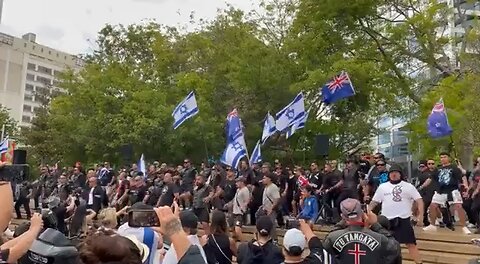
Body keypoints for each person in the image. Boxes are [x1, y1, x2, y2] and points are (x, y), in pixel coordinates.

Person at [369, 164, 423, 264]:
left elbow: (419, 201)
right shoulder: (382, 187)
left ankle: (419, 263)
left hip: (403, 219)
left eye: (396, 173)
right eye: (392, 173)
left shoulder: (408, 186)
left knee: (411, 244)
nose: (394, 175)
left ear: (400, 174)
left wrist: (421, 217)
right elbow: (374, 202)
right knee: (384, 245)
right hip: (386, 221)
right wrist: (368, 212)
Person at [323, 198, 399, 264]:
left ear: (342, 216)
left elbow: (323, 249)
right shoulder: (379, 238)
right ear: (362, 213)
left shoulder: (333, 237)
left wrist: (341, 223)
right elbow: (395, 248)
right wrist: (375, 225)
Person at [420, 152, 471, 234]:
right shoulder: (438, 169)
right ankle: (432, 225)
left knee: (458, 206)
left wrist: (466, 185)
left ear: (448, 158)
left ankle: (464, 227)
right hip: (440, 190)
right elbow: (430, 179)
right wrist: (421, 187)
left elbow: (462, 176)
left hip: (452, 190)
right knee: (433, 206)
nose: (443, 159)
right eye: (441, 157)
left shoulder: (454, 167)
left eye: (444, 157)